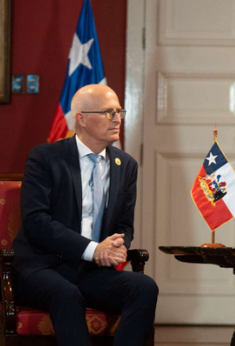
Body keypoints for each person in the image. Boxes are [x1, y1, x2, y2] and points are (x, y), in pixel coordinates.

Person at [12, 84, 158, 346]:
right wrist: (93, 249)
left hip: (91, 272)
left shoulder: (126, 165)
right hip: (42, 266)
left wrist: (117, 244)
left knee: (144, 287)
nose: (117, 119)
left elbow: (125, 223)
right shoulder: (45, 157)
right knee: (66, 294)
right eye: (107, 112)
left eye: (119, 111)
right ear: (81, 118)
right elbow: (36, 222)